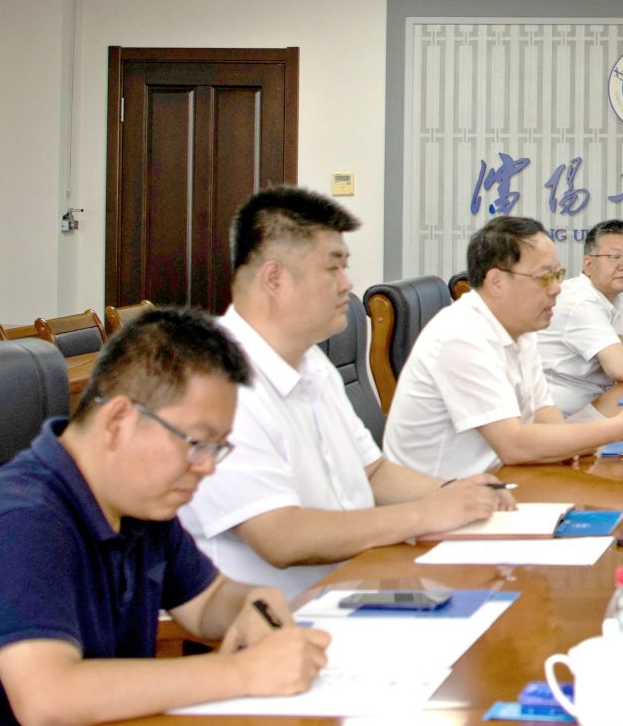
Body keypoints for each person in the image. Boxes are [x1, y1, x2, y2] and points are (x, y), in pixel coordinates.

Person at [0, 308, 330, 726]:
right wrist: (243, 673)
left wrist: (254, 601)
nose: (206, 468)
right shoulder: (20, 520)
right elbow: (48, 700)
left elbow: (206, 602)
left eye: (217, 449)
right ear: (118, 421)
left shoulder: (139, 503)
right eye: (196, 443)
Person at [180, 186, 521, 602]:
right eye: (333, 268)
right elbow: (281, 537)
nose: (348, 283)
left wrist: (457, 493)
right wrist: (425, 514)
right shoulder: (219, 381)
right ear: (274, 278)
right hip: (281, 617)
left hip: (360, 581)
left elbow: (373, 473)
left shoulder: (312, 361)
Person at [383, 216, 623, 479]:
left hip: (502, 478)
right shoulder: (461, 335)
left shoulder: (521, 330)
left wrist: (580, 445)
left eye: (557, 275)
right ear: (496, 282)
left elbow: (545, 416)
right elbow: (513, 445)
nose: (556, 288)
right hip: (443, 500)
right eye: (543, 277)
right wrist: (618, 429)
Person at [538, 218, 623, 414]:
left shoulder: (617, 297)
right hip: (561, 419)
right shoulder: (579, 300)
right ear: (588, 264)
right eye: (614, 256)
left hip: (597, 405)